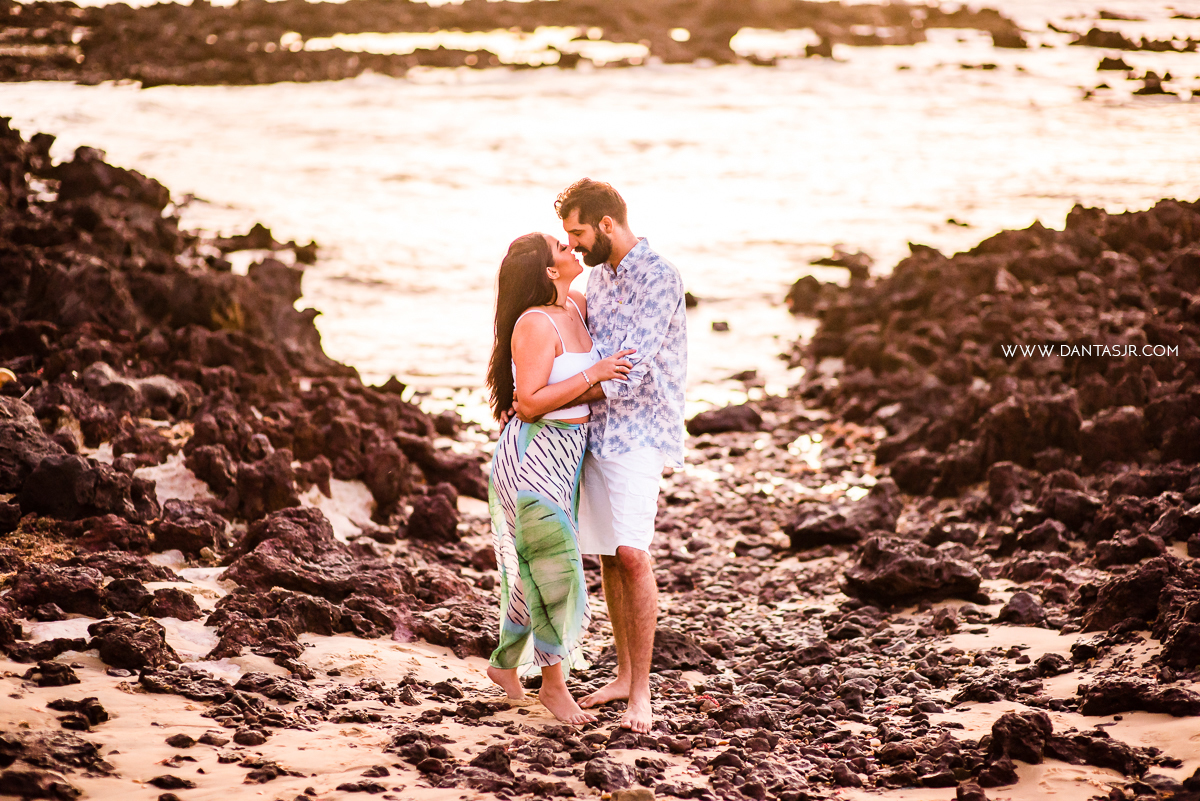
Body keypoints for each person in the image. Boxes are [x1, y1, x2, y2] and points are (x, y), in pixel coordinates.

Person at [518, 179, 688, 733]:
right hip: (595, 434)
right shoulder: (596, 277)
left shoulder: (658, 276)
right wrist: (533, 395)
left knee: (634, 554)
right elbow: (571, 345)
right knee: (609, 556)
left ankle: (641, 692)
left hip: (638, 433)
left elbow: (630, 370)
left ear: (607, 225)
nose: (574, 243)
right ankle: (620, 674)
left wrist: (547, 399)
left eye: (578, 232)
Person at [484, 231, 635, 724]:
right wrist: (596, 376)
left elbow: (578, 389)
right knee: (558, 570)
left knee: (534, 569)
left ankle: (506, 667)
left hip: (568, 454)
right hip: (533, 457)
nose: (574, 250)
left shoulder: (577, 304)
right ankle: (553, 685)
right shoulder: (534, 322)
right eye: (563, 249)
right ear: (549, 271)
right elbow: (529, 403)